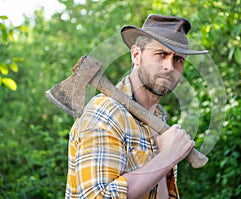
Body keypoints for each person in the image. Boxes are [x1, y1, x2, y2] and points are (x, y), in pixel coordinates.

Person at [65, 14, 208, 199]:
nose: (169, 66)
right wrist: (167, 157)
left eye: (178, 59)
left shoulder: (159, 120)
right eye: (161, 54)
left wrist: (165, 158)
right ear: (136, 55)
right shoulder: (105, 112)